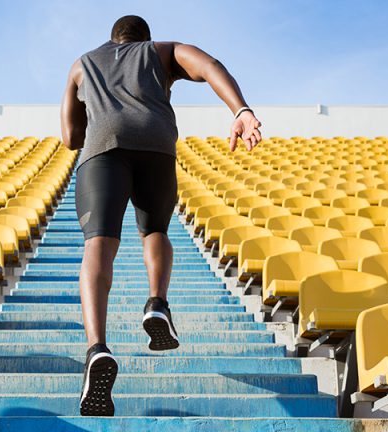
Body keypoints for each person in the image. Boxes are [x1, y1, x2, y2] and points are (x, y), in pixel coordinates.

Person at [60, 15, 262, 416]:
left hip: (104, 148)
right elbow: (209, 66)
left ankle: (97, 349)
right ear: (143, 39)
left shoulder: (83, 63)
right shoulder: (162, 51)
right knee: (155, 232)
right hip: (156, 144)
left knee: (99, 242)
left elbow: (70, 137)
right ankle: (157, 303)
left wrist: (99, 110)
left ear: (112, 39)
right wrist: (241, 110)